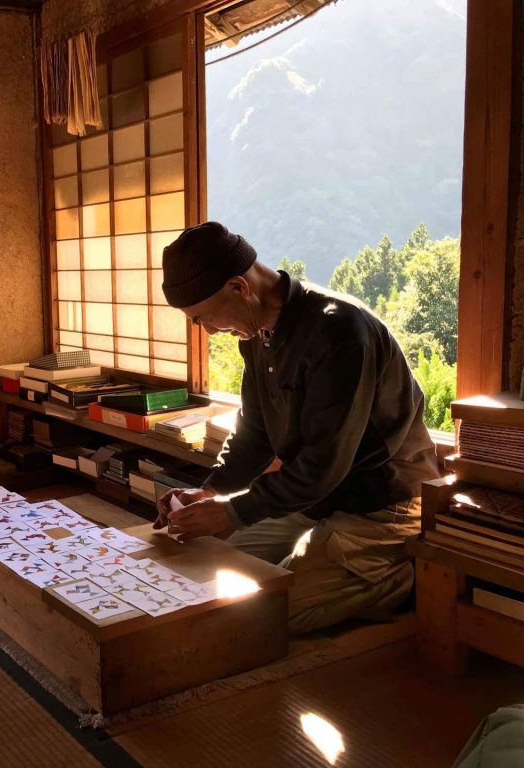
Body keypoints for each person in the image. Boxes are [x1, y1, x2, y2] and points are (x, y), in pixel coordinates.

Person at [154, 221, 440, 634]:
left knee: (270, 612)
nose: (209, 332)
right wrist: (211, 491)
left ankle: (401, 574)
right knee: (205, 567)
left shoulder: (340, 331)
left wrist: (233, 512)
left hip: (378, 506)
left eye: (205, 318)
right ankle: (327, 563)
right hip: (312, 499)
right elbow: (254, 432)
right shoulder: (256, 335)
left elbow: (324, 464)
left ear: (239, 287)